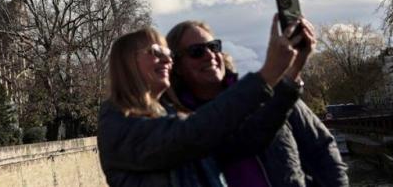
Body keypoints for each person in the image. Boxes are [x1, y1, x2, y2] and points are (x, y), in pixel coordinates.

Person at [97, 15, 310, 187]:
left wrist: (290, 75)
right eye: (156, 52)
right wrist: (267, 75)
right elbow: (191, 134)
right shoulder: (116, 121)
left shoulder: (171, 114)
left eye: (168, 53)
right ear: (127, 64)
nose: (167, 59)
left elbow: (245, 139)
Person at [166, 20, 348, 187]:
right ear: (177, 66)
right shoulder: (177, 122)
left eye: (213, 47)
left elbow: (321, 147)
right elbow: (241, 141)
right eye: (196, 52)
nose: (209, 55)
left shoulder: (272, 93)